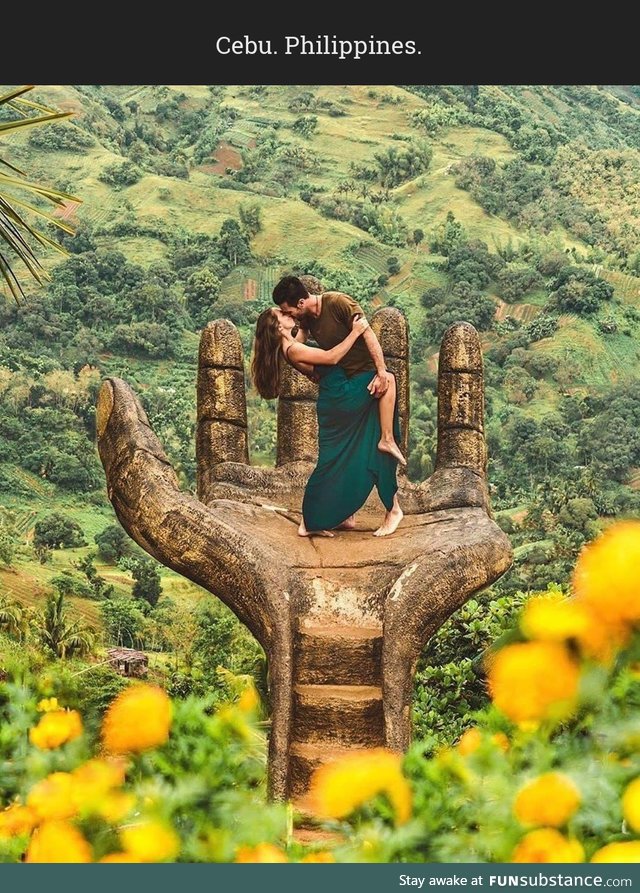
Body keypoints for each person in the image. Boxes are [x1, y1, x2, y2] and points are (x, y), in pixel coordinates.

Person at [269, 275, 404, 537]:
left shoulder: (339, 303)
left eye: (288, 311)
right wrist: (310, 367)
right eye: (284, 316)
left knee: (387, 386)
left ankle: (392, 508)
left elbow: (368, 335)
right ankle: (351, 510)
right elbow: (317, 357)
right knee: (346, 456)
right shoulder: (300, 327)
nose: (290, 317)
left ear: (300, 303)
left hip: (365, 384)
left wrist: (380, 372)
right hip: (344, 390)